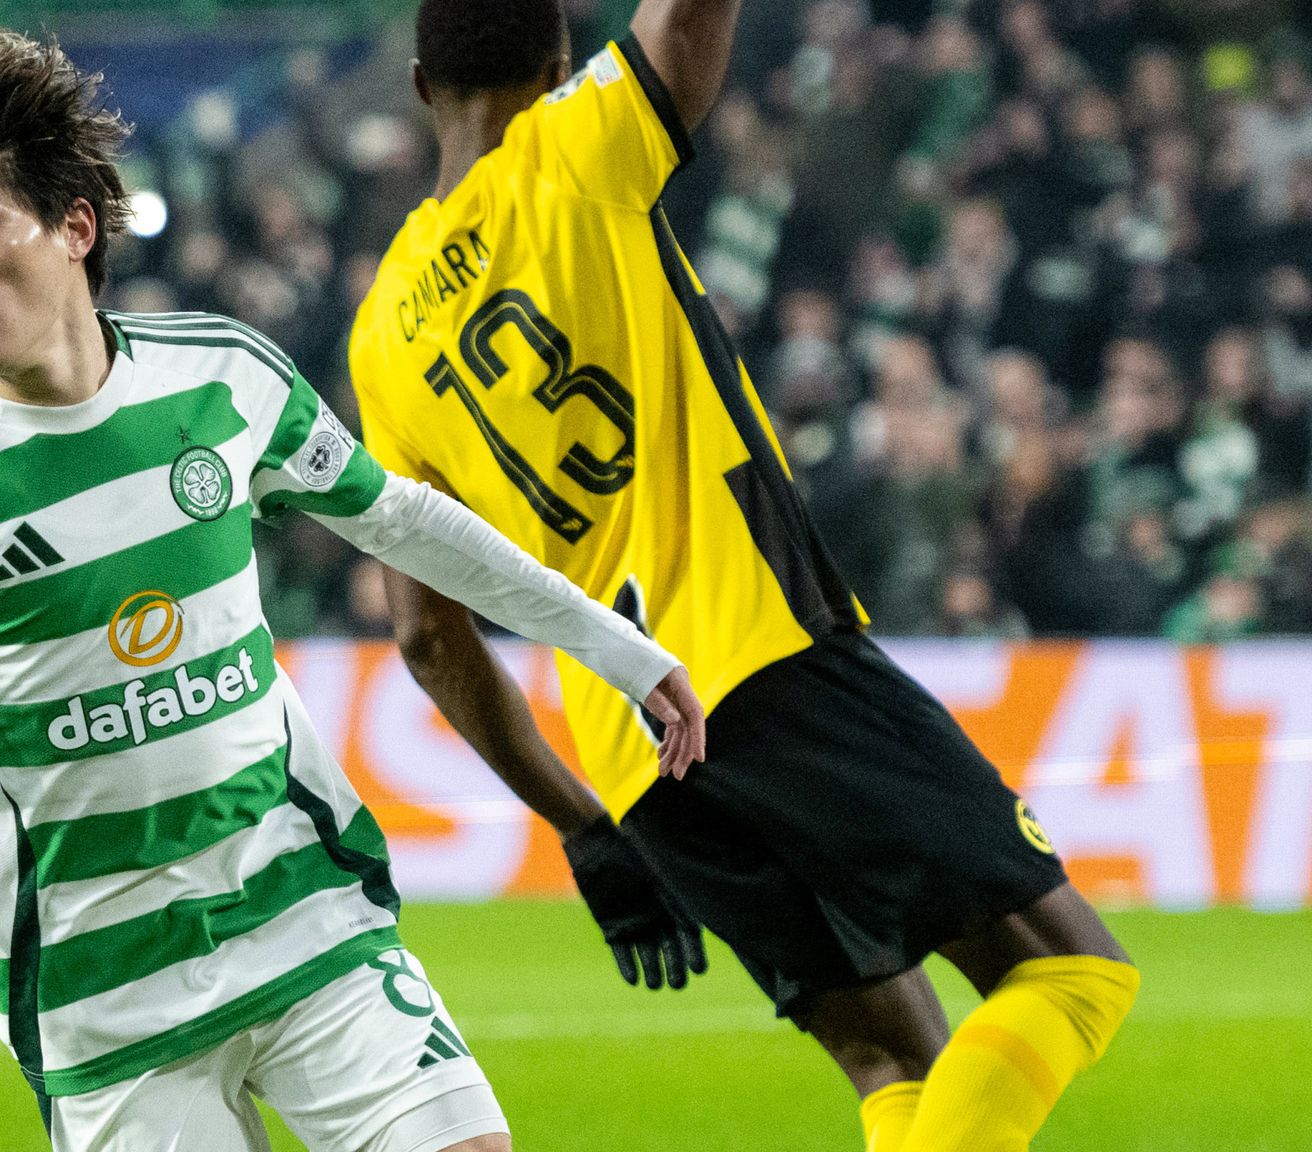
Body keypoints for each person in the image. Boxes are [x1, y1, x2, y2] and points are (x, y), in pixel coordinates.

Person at [0, 32, 707, 1152]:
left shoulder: (220, 378)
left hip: (303, 917)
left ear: (76, 226)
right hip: (100, 998)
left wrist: (619, 649)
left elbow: (402, 523)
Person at [346, 3, 1137, 1151]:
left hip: (637, 760)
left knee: (890, 1058)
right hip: (756, 655)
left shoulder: (379, 338)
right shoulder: (575, 146)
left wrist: (580, 828)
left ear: (420, 87)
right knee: (1070, 971)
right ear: (559, 65)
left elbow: (424, 638)